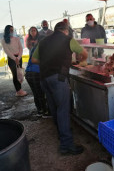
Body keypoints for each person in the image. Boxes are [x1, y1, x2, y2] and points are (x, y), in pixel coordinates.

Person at [32, 22, 88, 155]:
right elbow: (84, 53)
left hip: (44, 79)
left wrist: (48, 62)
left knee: (54, 108)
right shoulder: (68, 39)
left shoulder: (44, 41)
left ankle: (62, 134)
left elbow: (34, 60)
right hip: (58, 79)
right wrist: (80, 61)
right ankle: (66, 145)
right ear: (66, 31)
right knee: (63, 109)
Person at [25, 27, 50, 118]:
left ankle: (40, 110)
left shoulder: (35, 47)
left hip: (28, 73)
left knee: (36, 93)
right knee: (40, 93)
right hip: (35, 73)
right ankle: (45, 112)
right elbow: (38, 60)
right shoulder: (41, 48)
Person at [1, 25, 27, 97]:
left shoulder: (17, 39)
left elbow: (21, 49)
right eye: (10, 30)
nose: (11, 32)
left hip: (18, 57)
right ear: (7, 31)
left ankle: (20, 89)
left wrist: (18, 58)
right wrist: (14, 58)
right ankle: (18, 90)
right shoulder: (4, 40)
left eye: (12, 30)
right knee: (15, 75)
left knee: (20, 74)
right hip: (11, 59)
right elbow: (7, 51)